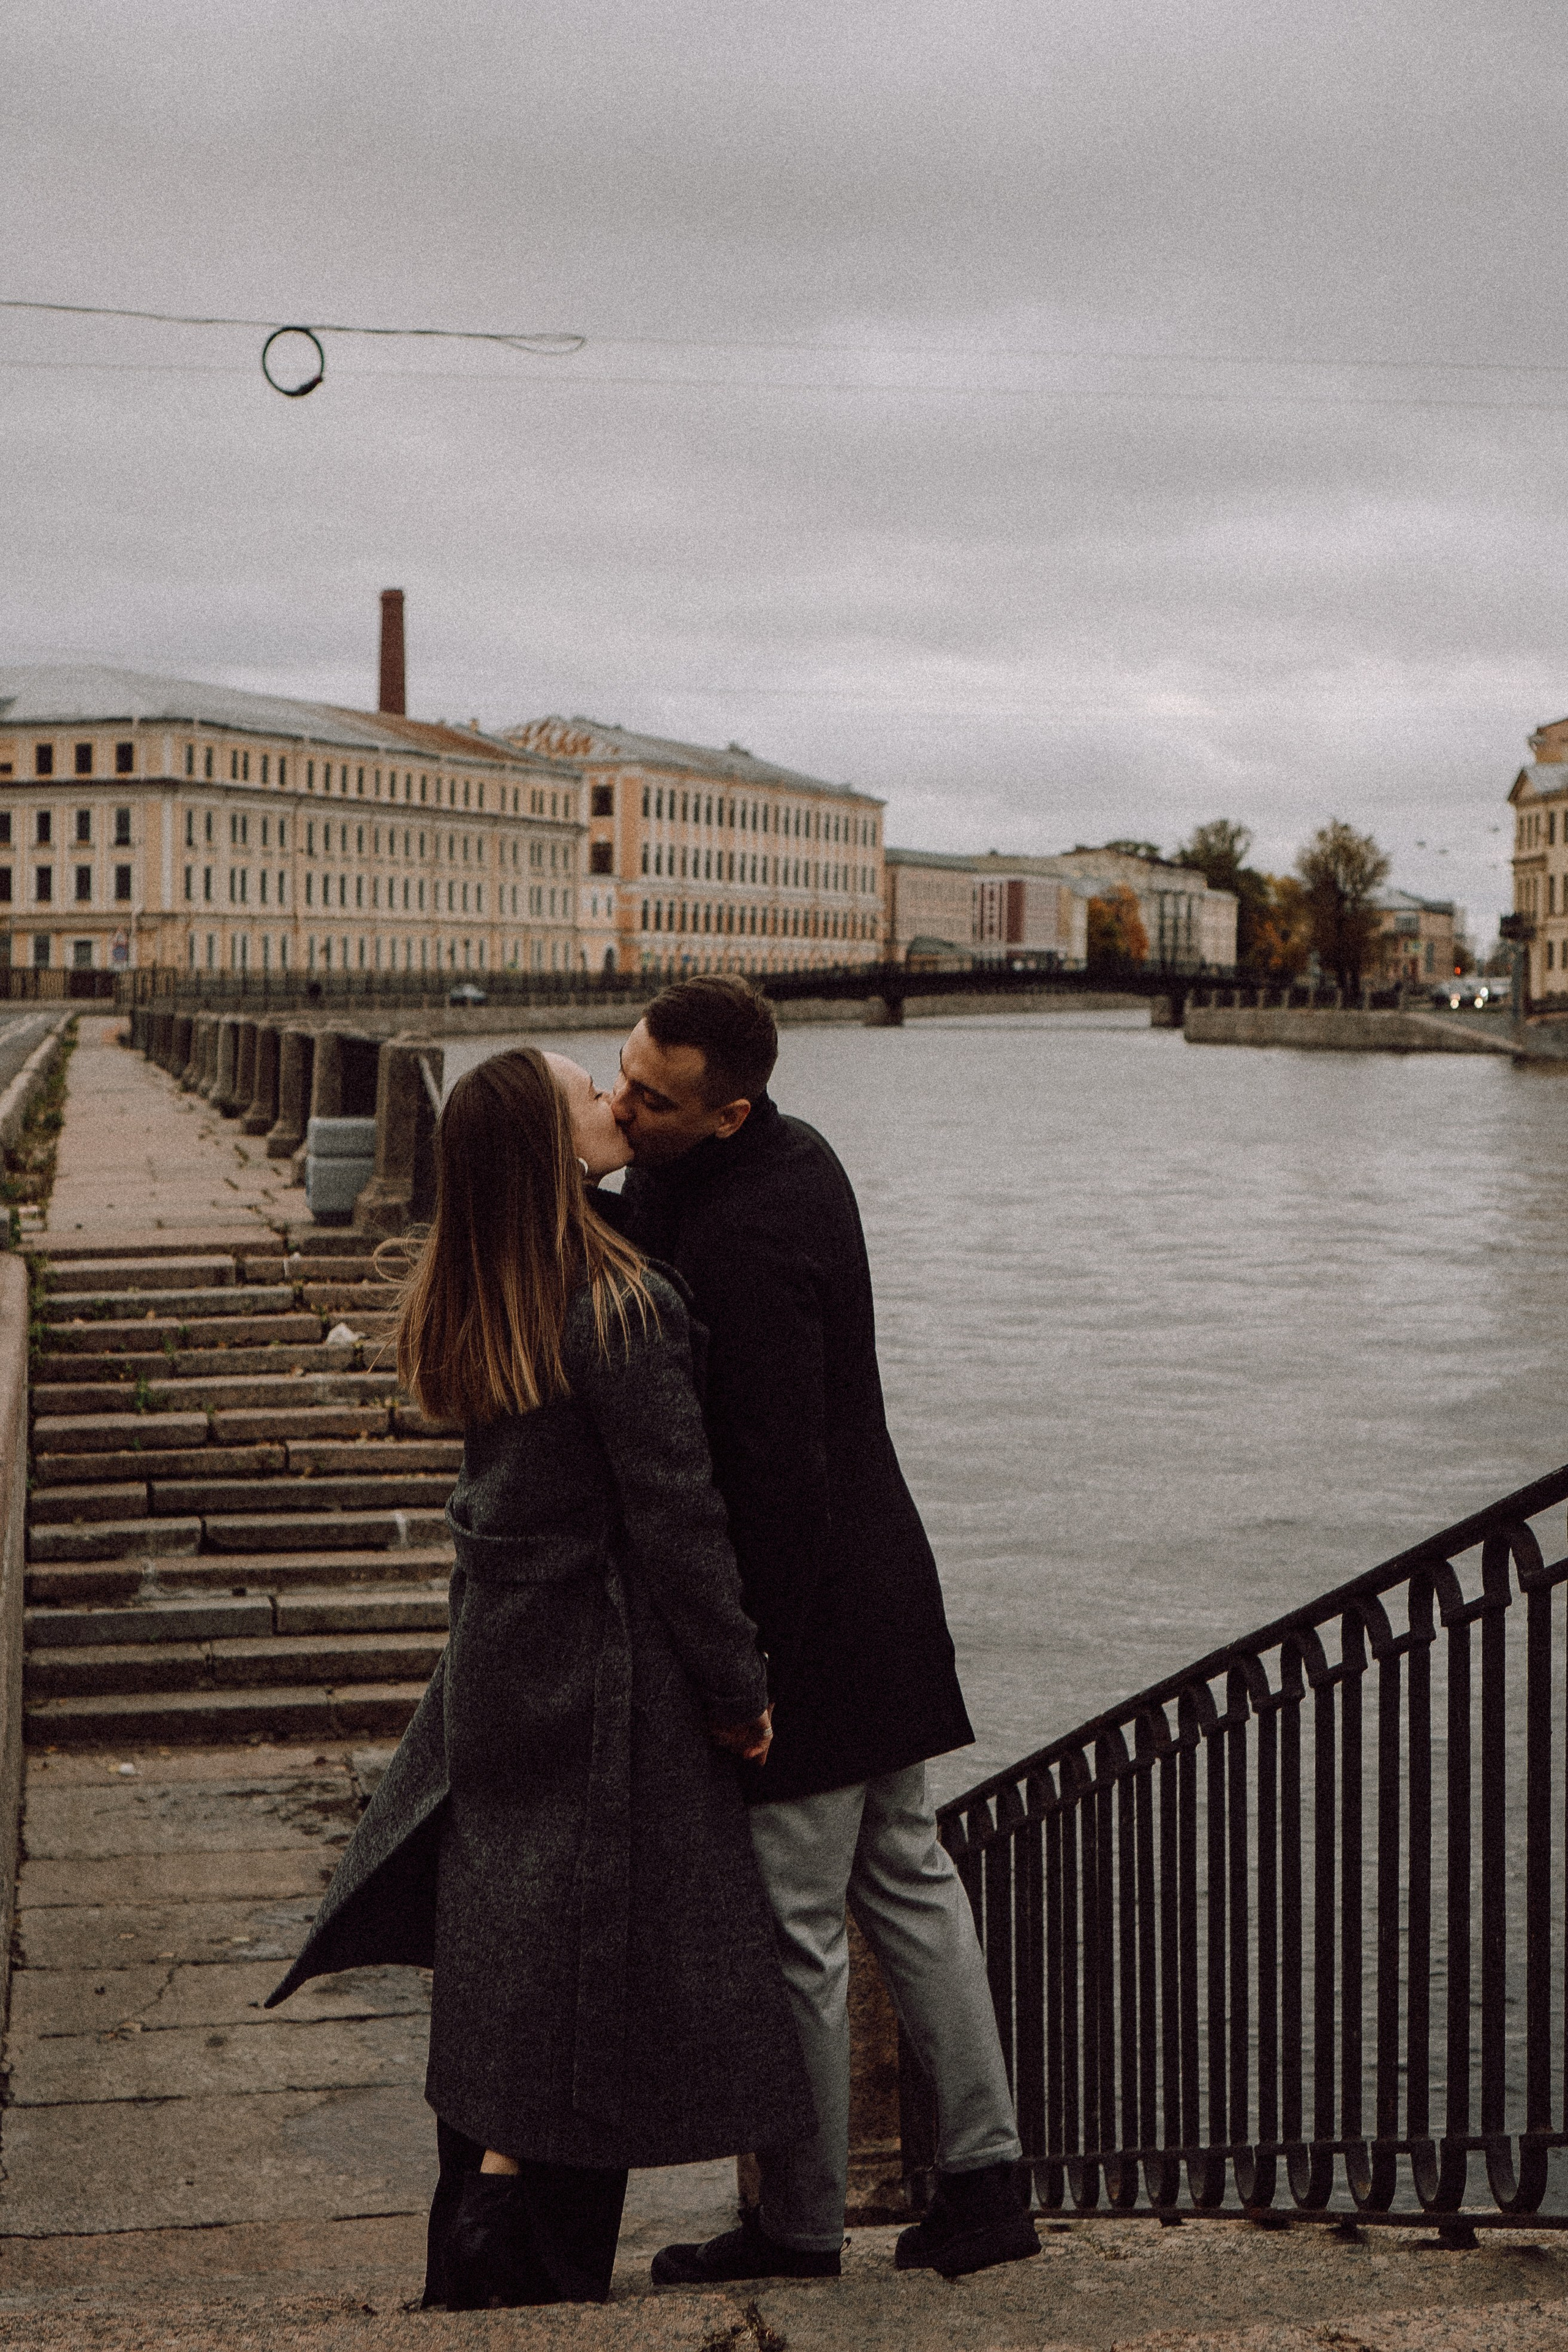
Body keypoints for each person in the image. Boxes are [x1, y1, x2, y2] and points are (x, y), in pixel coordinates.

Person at [265, 1046, 812, 2310]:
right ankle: (528, 2256)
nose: (612, 1103)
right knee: (597, 1971)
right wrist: (738, 1691)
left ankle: (475, 2215)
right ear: (548, 1150)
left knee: (506, 1947)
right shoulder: (621, 1307)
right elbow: (678, 1523)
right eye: (587, 1093)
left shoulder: (468, 1291)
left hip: (493, 1660)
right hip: (603, 1669)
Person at [603, 974, 1039, 2284]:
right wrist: (584, 1178)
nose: (624, 1105)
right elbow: (652, 1217)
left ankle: (796, 2227)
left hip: (815, 1624)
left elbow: (772, 1478)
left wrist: (752, 1675)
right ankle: (987, 2183)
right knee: (908, 1884)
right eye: (618, 1074)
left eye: (651, 1100)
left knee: (797, 1927)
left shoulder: (743, 1232)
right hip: (884, 1595)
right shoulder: (788, 1158)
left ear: (727, 1113)